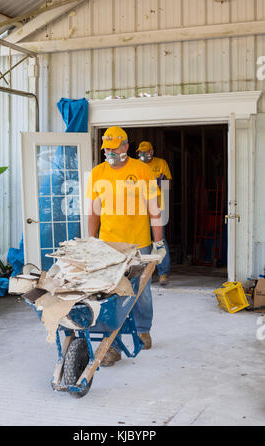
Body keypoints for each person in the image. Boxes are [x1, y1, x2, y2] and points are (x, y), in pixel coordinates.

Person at [86, 126, 166, 367]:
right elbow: (93, 212)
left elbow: (154, 209)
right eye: (106, 149)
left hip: (138, 244)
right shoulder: (98, 173)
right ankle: (111, 345)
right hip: (109, 245)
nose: (110, 153)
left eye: (114, 148)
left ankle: (143, 329)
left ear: (125, 147)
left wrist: (159, 242)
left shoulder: (142, 171)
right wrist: (91, 241)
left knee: (141, 293)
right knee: (109, 295)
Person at [137, 141, 172, 286]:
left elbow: (168, 185)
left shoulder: (161, 163)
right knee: (141, 239)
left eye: (146, 152)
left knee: (159, 239)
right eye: (140, 152)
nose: (143, 155)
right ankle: (144, 273)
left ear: (152, 151)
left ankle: (163, 273)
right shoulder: (136, 166)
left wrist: (160, 184)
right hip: (139, 208)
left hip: (158, 206)